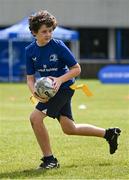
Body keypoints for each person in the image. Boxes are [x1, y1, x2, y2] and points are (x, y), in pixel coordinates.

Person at [25, 10, 121, 170]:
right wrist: (34, 93)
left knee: (35, 118)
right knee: (69, 128)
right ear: (34, 32)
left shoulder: (58, 46)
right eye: (44, 31)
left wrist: (59, 80)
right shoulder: (30, 51)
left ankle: (50, 160)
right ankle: (109, 134)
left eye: (50, 30)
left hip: (65, 87)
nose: (48, 34)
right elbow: (30, 78)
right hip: (49, 92)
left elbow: (76, 69)